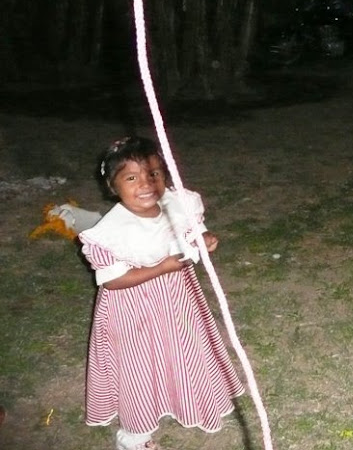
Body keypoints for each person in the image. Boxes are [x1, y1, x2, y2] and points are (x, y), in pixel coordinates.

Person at [79, 137, 244, 450]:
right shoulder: (111, 232)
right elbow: (113, 281)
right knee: (139, 367)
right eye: (132, 178)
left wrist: (203, 238)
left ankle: (188, 400)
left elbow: (189, 232)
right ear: (113, 187)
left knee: (180, 352)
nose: (146, 185)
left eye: (153, 174)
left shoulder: (175, 204)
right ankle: (134, 436)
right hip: (133, 310)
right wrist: (163, 267)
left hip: (177, 301)